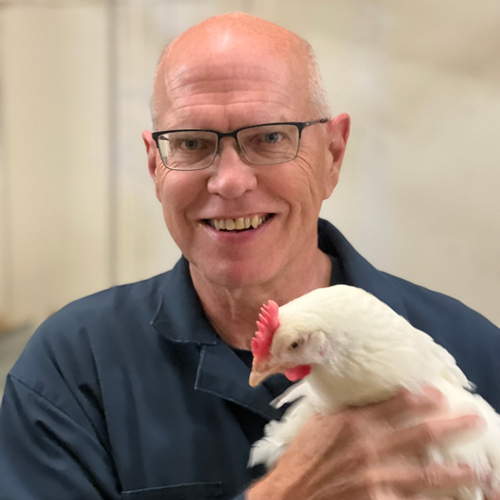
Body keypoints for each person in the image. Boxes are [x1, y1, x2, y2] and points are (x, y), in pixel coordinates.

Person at [0, 12, 499, 500]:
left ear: (333, 154)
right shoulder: (72, 371)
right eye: (193, 143)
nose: (230, 182)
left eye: (270, 138)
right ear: (156, 165)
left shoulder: (477, 352)